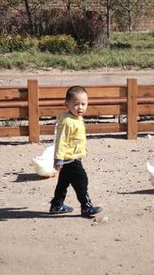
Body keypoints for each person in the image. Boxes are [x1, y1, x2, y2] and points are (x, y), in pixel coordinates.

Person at [49, 86, 102, 218]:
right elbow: (61, 141)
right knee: (81, 181)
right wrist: (58, 159)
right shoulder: (67, 122)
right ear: (66, 104)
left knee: (63, 183)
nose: (80, 108)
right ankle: (86, 207)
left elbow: (76, 139)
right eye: (76, 104)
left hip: (74, 156)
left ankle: (56, 204)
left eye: (83, 104)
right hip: (70, 158)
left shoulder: (77, 119)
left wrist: (82, 149)